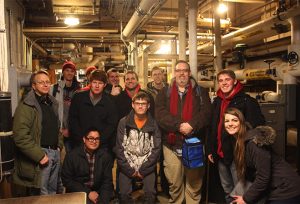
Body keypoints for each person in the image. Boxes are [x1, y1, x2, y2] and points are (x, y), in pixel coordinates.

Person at [155, 60, 211, 203]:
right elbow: (160, 115)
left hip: (194, 144)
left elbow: (206, 113)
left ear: (189, 73)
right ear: (174, 73)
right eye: (179, 70)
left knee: (194, 184)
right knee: (175, 184)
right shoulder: (164, 93)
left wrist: (192, 125)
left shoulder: (201, 92)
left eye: (185, 70)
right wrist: (179, 125)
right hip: (171, 145)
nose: (181, 73)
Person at [207, 69, 265, 203]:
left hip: (238, 154)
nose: (224, 83)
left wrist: (244, 147)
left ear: (234, 81)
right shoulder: (217, 102)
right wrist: (211, 149)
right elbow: (212, 127)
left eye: (227, 80)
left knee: (240, 191)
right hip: (221, 154)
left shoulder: (246, 101)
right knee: (227, 188)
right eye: (221, 80)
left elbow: (257, 126)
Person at [223, 108, 300, 204]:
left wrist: (246, 199)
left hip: (286, 188)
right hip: (272, 188)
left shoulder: (254, 144)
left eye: (234, 120)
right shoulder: (238, 141)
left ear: (242, 122)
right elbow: (249, 175)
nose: (230, 124)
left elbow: (263, 177)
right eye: (226, 121)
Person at [13, 70, 63, 195]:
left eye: (47, 82)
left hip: (54, 153)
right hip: (41, 154)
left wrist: (58, 146)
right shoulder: (26, 106)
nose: (45, 85)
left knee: (52, 193)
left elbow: (57, 127)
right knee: (41, 195)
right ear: (34, 86)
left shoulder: (52, 103)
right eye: (41, 82)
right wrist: (40, 156)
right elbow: (20, 137)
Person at [115, 91, 161, 203]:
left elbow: (156, 149)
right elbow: (120, 148)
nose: (140, 106)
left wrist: (143, 169)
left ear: (148, 106)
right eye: (137, 103)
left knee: (150, 193)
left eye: (143, 103)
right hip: (127, 163)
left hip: (147, 164)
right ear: (132, 104)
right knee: (124, 194)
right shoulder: (124, 122)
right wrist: (130, 170)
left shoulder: (154, 124)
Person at [69, 70, 118, 150]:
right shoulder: (78, 98)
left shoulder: (110, 102)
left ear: (105, 84)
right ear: (90, 83)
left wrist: (98, 141)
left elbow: (111, 125)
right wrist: (83, 140)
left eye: (100, 83)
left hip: (102, 146)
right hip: (80, 144)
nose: (97, 86)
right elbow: (73, 120)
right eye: (95, 82)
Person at [62, 128, 113, 204]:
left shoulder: (105, 157)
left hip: (98, 194)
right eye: (91, 138)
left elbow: (107, 182)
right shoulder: (72, 156)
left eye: (97, 139)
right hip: (78, 193)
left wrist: (103, 201)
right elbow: (67, 180)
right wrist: (88, 192)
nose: (94, 141)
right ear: (84, 139)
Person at [50, 60, 81, 152]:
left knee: (72, 156)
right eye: (67, 70)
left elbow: (79, 113)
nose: (69, 73)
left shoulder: (78, 90)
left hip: (72, 131)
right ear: (63, 72)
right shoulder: (54, 89)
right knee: (56, 158)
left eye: (72, 71)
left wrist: (70, 129)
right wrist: (60, 129)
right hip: (57, 130)